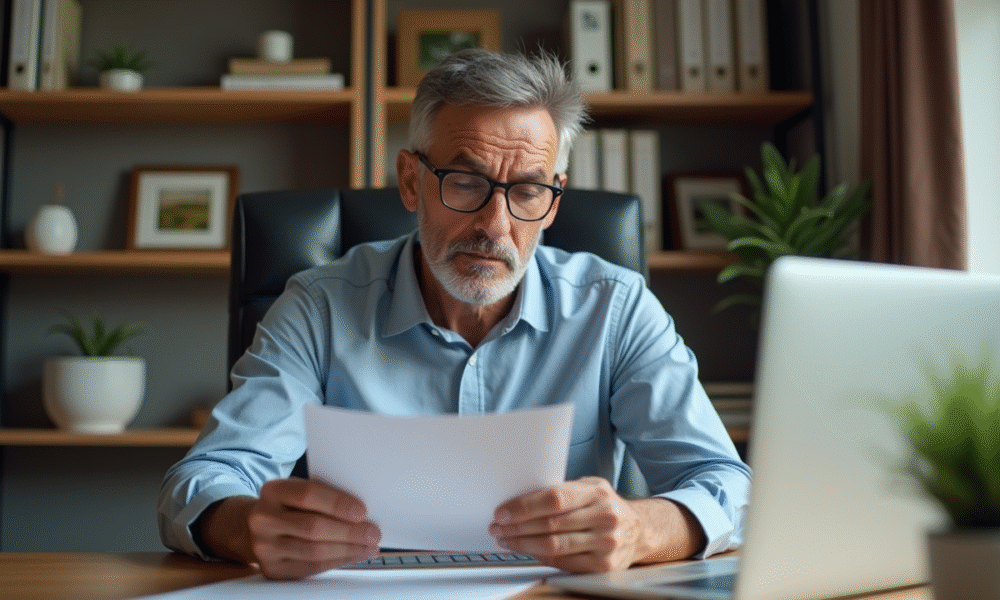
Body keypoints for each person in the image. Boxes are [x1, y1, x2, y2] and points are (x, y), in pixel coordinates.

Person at [158, 48, 751, 580]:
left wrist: (640, 529)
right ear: (411, 181)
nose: (495, 227)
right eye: (466, 182)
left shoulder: (615, 309)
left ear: (553, 202)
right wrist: (247, 526)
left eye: (525, 191)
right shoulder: (320, 306)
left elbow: (729, 487)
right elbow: (200, 482)